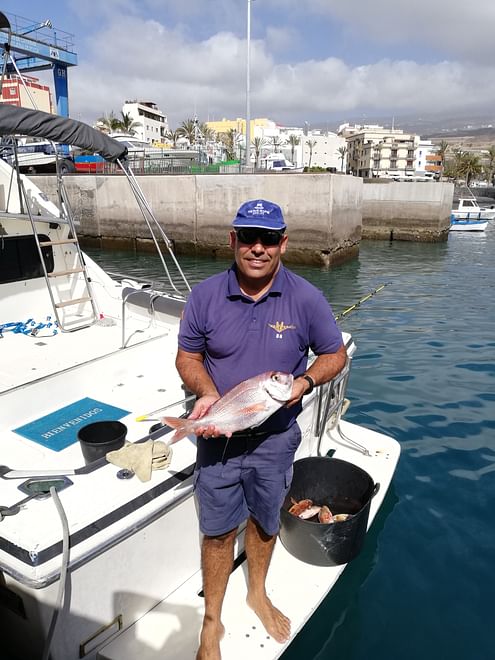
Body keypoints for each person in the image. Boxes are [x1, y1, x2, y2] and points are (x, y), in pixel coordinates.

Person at [175, 199, 347, 660]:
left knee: (265, 521)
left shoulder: (305, 298)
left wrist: (306, 381)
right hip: (219, 438)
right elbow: (187, 358)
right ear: (232, 241)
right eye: (248, 237)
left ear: (283, 243)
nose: (257, 248)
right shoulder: (205, 296)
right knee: (216, 532)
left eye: (268, 238)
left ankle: (257, 592)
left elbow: (334, 354)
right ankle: (212, 621)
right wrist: (207, 394)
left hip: (275, 440)